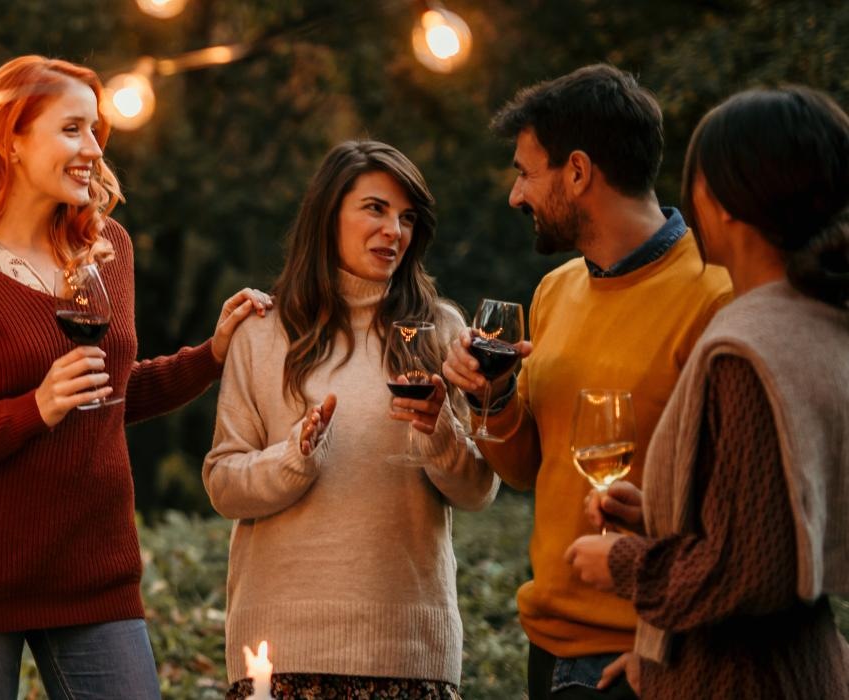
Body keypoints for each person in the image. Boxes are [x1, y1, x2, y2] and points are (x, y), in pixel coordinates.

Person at [0, 55, 266, 699]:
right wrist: (33, 409)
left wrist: (210, 355)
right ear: (14, 142)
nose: (93, 149)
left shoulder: (108, 250)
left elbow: (108, 396)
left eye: (96, 131)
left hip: (93, 571)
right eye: (72, 129)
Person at [440, 64, 733, 699]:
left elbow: (738, 509)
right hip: (548, 651)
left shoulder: (717, 297)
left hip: (649, 659)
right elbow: (525, 470)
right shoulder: (555, 290)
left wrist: (669, 656)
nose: (516, 196)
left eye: (524, 172)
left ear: (577, 172)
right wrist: (489, 397)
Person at [564, 85, 849, 698]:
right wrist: (665, 512)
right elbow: (785, 514)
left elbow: (751, 571)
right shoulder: (825, 325)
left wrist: (621, 564)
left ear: (720, 198)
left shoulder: (748, 347)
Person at [205, 140, 497, 700]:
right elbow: (223, 483)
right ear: (327, 214)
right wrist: (295, 458)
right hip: (283, 653)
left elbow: (479, 487)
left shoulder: (439, 328)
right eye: (375, 209)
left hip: (410, 651)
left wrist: (437, 430)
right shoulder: (263, 332)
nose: (395, 230)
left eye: (407, 217)